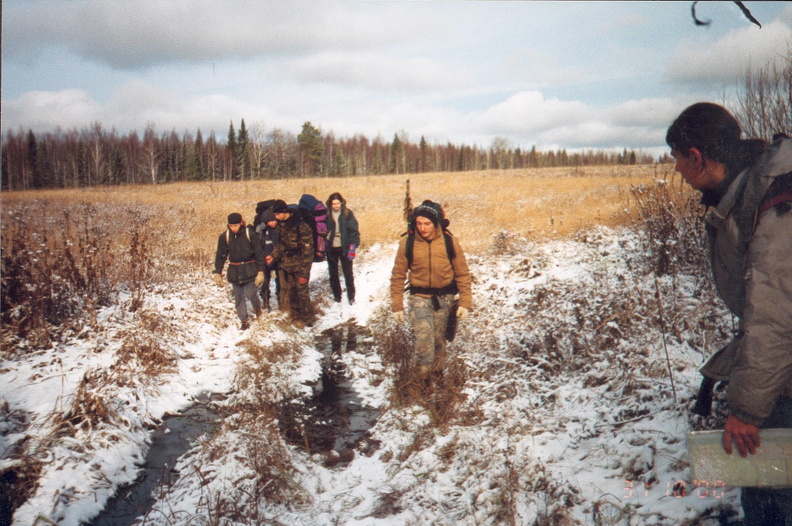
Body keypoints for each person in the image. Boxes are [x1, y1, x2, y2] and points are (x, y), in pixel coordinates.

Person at [666, 102, 792, 525]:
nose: (677, 171)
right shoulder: (745, 192)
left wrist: (746, 410)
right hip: (782, 363)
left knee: (771, 480)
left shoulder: (774, 200)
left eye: (677, 159)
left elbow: (774, 316)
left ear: (697, 157)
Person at [390, 200, 472, 376]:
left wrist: (465, 302)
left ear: (435, 224)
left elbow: (463, 273)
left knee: (438, 340)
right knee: (423, 341)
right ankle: (422, 381)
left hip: (445, 298)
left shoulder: (450, 242)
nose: (423, 228)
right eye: (419, 223)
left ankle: (439, 377)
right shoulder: (407, 243)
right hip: (419, 297)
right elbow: (398, 275)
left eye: (427, 224)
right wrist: (397, 306)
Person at [266, 200, 316, 327]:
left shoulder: (301, 226)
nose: (276, 217)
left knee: (302, 293)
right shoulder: (282, 225)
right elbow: (283, 244)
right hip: (288, 265)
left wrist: (304, 272)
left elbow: (308, 251)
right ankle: (296, 317)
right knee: (292, 292)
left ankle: (308, 320)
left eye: (277, 214)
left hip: (301, 265)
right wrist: (273, 256)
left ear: (284, 212)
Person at [213, 212, 265, 330]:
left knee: (251, 293)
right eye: (231, 226)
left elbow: (259, 254)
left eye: (236, 226)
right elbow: (220, 256)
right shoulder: (224, 237)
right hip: (234, 271)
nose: (234, 228)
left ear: (241, 223)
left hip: (250, 269)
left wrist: (261, 271)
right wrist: (218, 272)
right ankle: (244, 321)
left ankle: (257, 308)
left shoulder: (250, 234)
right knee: (238, 297)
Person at [325, 192, 361, 304]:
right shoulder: (326, 214)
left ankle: (351, 297)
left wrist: (352, 248)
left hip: (345, 247)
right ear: (330, 204)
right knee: (333, 273)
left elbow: (354, 231)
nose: (335, 206)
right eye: (333, 204)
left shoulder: (347, 213)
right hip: (331, 247)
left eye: (337, 203)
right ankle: (337, 296)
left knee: (348, 273)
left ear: (341, 202)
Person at [255, 207, 281, 311]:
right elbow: (258, 245)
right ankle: (266, 302)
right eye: (268, 221)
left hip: (278, 259)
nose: (270, 223)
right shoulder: (261, 230)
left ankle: (281, 303)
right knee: (265, 283)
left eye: (272, 221)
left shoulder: (280, 229)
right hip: (265, 260)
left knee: (280, 283)